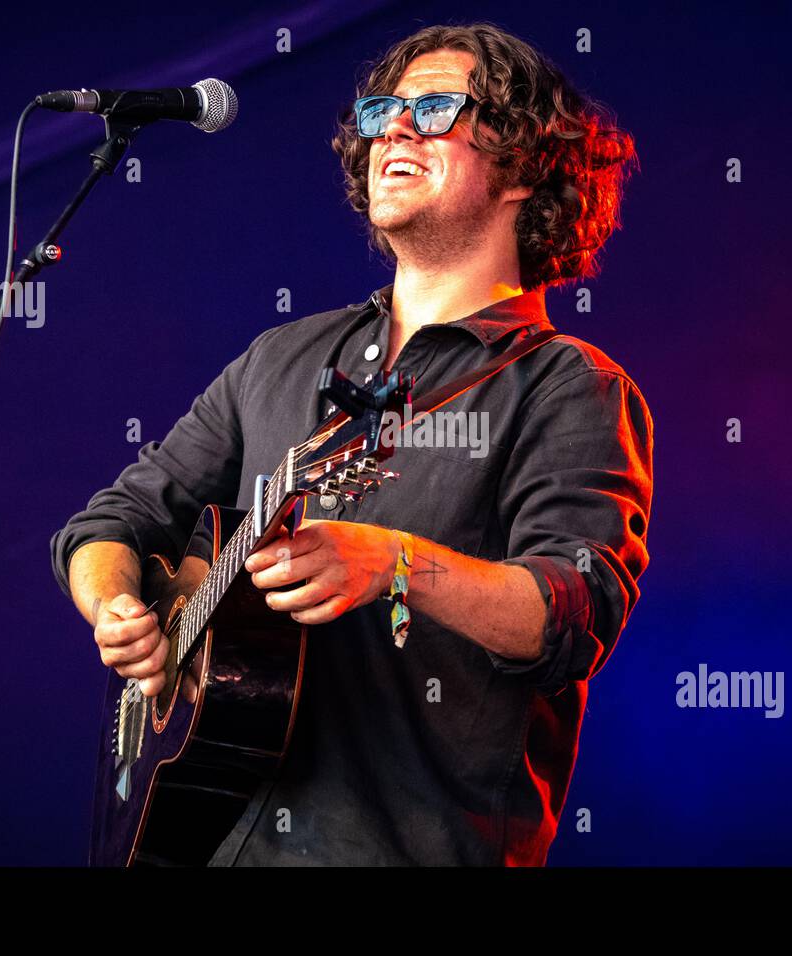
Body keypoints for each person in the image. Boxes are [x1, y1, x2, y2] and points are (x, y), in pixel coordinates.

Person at [50, 22, 651, 865]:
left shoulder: (570, 386)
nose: (394, 130)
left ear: (522, 164)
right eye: (381, 112)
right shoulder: (282, 356)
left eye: (435, 107)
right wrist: (118, 608)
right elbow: (112, 522)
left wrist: (395, 563)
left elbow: (573, 614)